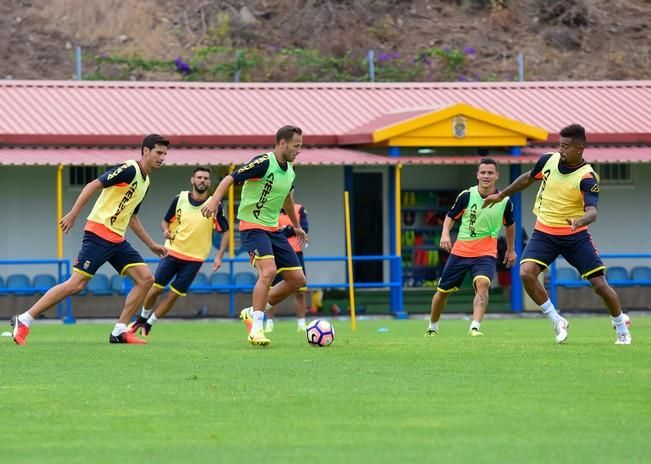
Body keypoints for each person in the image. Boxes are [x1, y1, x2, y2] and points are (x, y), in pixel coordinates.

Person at [10, 134, 169, 345]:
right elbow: (93, 185)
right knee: (76, 284)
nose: (162, 157)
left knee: (146, 279)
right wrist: (73, 214)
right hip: (99, 233)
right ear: (146, 151)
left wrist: (152, 245)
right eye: (159, 152)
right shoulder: (129, 169)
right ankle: (24, 319)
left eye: (165, 154)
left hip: (117, 239)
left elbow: (132, 217)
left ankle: (120, 331)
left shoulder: (146, 181)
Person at [483, 124, 632, 345]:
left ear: (579, 149)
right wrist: (502, 195)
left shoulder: (587, 177)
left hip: (575, 236)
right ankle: (557, 320)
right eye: (559, 146)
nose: (561, 151)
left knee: (600, 285)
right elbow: (527, 178)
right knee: (526, 273)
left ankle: (621, 326)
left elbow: (593, 212)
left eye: (565, 147)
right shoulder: (548, 160)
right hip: (544, 232)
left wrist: (578, 221)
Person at [201, 125, 307, 346]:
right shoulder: (263, 162)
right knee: (268, 271)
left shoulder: (290, 170)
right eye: (296, 146)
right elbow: (230, 178)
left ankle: (253, 311)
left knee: (297, 280)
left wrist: (296, 226)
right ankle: (256, 328)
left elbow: (287, 199)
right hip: (252, 226)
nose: (299, 150)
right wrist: (214, 200)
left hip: (273, 229)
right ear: (282, 143)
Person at [128, 167, 229, 336]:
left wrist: (219, 256)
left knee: (174, 295)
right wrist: (165, 231)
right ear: (192, 180)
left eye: (205, 178)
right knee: (155, 289)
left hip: (195, 258)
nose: (202, 180)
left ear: (210, 182)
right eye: (199, 177)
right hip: (173, 251)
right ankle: (142, 318)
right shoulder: (180, 199)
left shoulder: (214, 204)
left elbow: (225, 231)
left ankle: (150, 324)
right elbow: (165, 222)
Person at [425, 158, 516, 337]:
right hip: (461, 251)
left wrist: (510, 249)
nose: (486, 176)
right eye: (483, 172)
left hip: (486, 252)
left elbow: (510, 225)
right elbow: (451, 216)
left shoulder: (505, 201)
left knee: (483, 284)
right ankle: (432, 327)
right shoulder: (466, 195)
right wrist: (444, 234)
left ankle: (474, 327)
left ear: (497, 175)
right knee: (442, 293)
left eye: (490, 172)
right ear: (477, 175)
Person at [265, 201, 310, 333]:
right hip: (276, 252)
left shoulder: (299, 209)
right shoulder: (272, 206)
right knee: (272, 288)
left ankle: (301, 323)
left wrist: (285, 229)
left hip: (296, 253)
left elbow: (304, 229)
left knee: (300, 290)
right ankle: (269, 322)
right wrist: (289, 229)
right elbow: (270, 230)